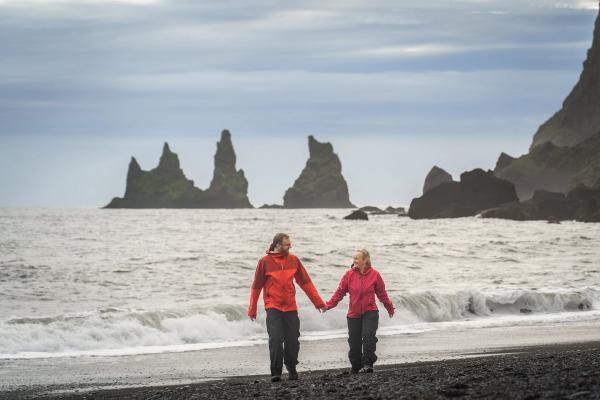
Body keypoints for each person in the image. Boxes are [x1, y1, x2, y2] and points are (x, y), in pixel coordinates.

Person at [248, 233, 327, 382]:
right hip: (273, 306)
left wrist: (319, 303)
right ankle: (276, 372)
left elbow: (306, 283)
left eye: (290, 243)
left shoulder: (294, 260)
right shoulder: (264, 261)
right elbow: (256, 287)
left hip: (290, 306)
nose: (290, 246)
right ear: (277, 244)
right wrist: (252, 309)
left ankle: (291, 366)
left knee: (293, 340)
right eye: (286, 244)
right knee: (276, 339)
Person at [326, 249, 394, 373]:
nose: (354, 260)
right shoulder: (349, 274)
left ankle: (368, 364)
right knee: (354, 341)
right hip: (353, 313)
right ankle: (356, 366)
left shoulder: (375, 275)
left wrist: (389, 307)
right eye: (354, 258)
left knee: (369, 337)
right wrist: (328, 305)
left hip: (370, 312)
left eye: (357, 258)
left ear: (365, 260)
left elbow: (382, 294)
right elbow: (340, 292)